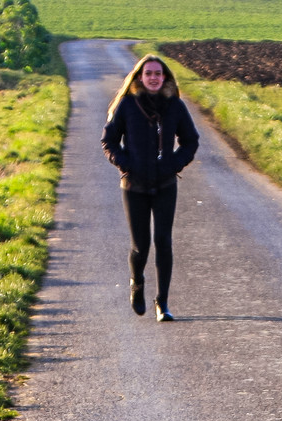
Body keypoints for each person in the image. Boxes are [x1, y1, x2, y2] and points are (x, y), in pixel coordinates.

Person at [101, 55, 198, 321]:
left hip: (165, 184)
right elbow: (109, 141)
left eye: (158, 73)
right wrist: (126, 166)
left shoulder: (175, 105)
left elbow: (191, 141)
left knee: (163, 242)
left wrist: (173, 165)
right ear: (140, 77)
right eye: (148, 74)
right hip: (134, 186)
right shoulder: (128, 105)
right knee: (141, 246)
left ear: (164, 77)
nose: (154, 78)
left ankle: (162, 303)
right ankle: (137, 283)